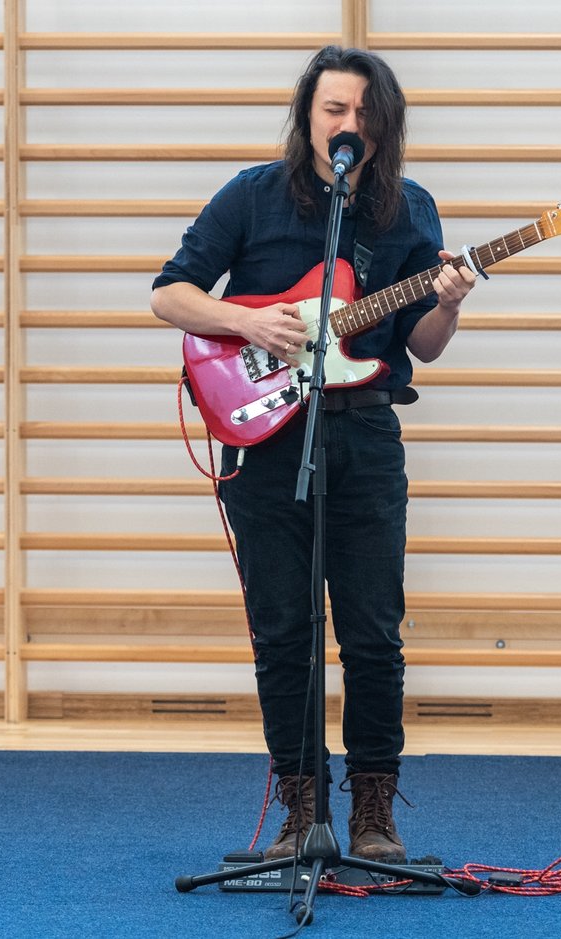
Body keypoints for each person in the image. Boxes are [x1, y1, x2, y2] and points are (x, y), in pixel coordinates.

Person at [149, 46, 475, 863]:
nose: (349, 125)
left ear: (384, 126)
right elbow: (169, 292)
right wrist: (246, 321)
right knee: (282, 632)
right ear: (308, 116)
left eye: (364, 113)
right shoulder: (253, 194)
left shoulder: (410, 209)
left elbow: (424, 345)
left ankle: (374, 813)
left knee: (373, 633)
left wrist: (449, 302)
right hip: (268, 445)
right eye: (335, 109)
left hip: (365, 434)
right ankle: (301, 811)